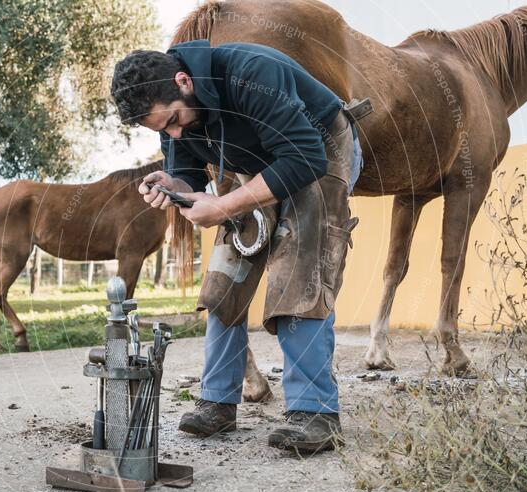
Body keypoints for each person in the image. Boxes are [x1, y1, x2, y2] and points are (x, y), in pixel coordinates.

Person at [111, 40, 365, 453]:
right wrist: (174, 186)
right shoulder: (173, 111)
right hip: (263, 161)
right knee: (227, 270)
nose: (174, 133)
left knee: (299, 268)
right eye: (163, 130)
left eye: (174, 120)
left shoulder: (252, 73)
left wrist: (226, 203)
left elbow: (303, 157)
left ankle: (314, 412)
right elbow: (188, 172)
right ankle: (217, 402)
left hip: (319, 149)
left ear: (183, 81)